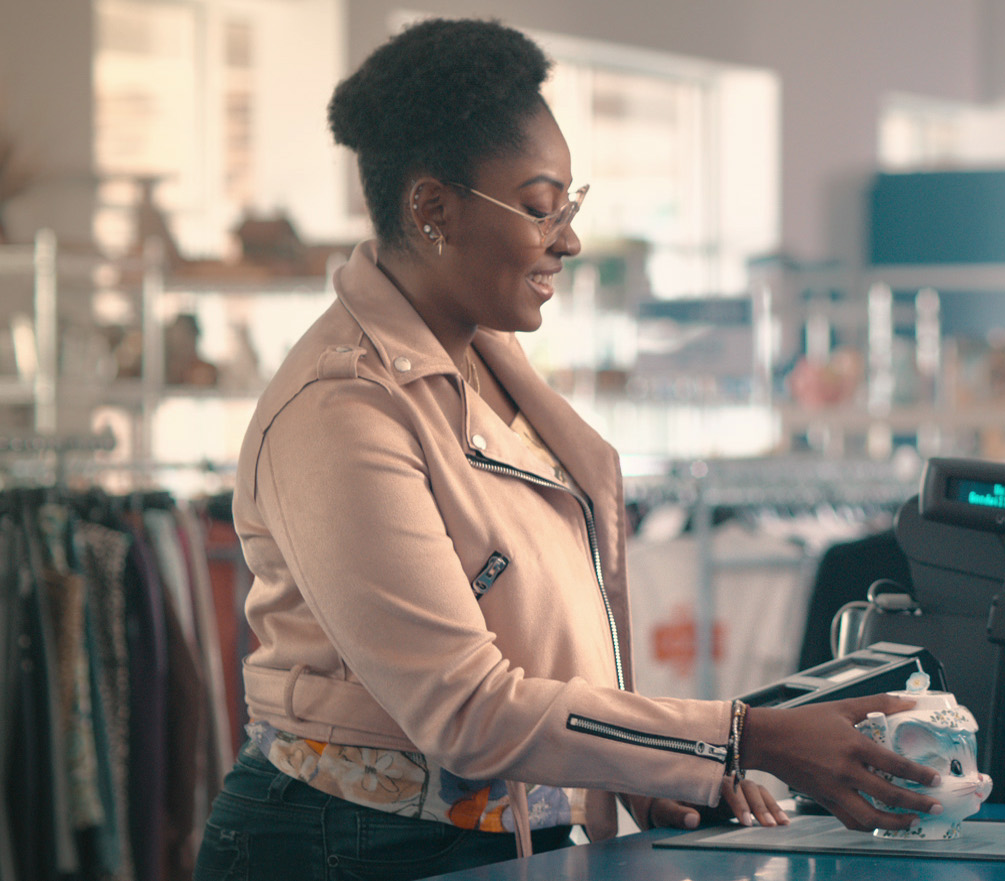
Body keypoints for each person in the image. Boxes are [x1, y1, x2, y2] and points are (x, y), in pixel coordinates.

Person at [194, 18, 940, 881]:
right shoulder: (342, 413)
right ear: (431, 208)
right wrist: (744, 739)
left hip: (492, 837)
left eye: (570, 206)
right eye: (542, 207)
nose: (569, 240)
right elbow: (466, 705)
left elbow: (539, 633)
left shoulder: (487, 373)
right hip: (350, 847)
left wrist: (648, 776)